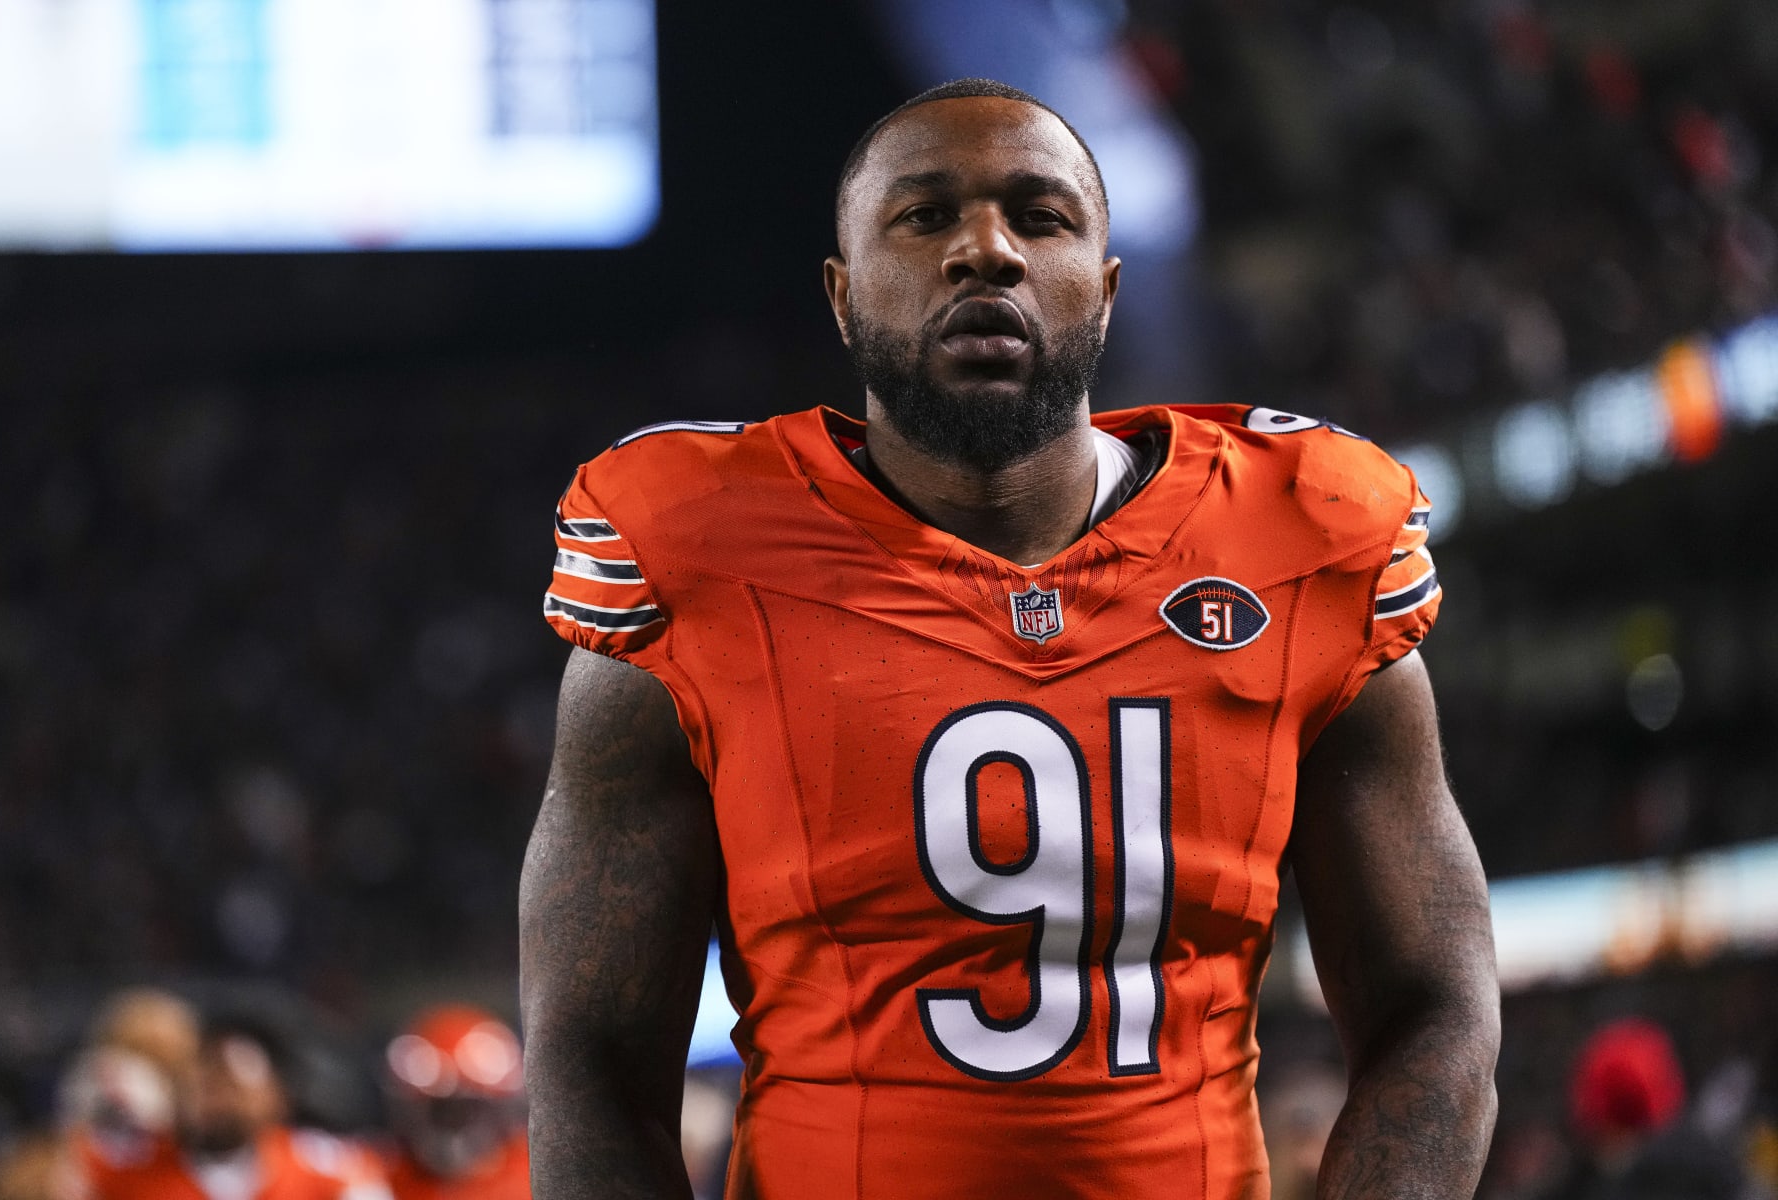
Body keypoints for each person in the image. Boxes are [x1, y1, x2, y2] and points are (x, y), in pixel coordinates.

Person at [520, 77, 1501, 1198]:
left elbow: (1441, 1010)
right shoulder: (694, 552)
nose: (985, 250)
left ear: (1107, 288)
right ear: (842, 296)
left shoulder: (1300, 535)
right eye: (925, 214)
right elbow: (589, 1063)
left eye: (1040, 216)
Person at [81, 1014, 389, 1200]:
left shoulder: (329, 1171)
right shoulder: (122, 1169)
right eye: (199, 1082)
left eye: (228, 1085)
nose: (207, 1099)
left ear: (277, 1097)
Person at [381, 1006, 530, 1200]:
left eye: (468, 1110)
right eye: (441, 1111)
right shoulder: (378, 1177)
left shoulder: (541, 1173)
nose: (454, 1124)